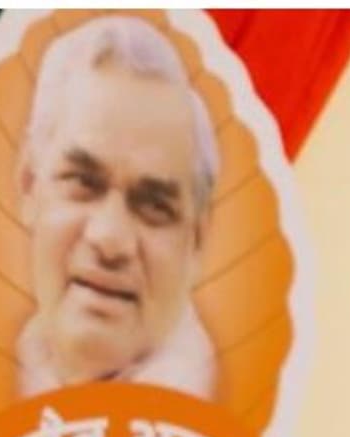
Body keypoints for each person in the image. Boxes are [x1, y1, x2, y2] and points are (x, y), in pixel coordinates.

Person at [14, 15, 221, 400]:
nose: (109, 239)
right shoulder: (11, 363)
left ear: (196, 241)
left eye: (154, 206)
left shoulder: (220, 407)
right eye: (83, 182)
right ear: (28, 185)